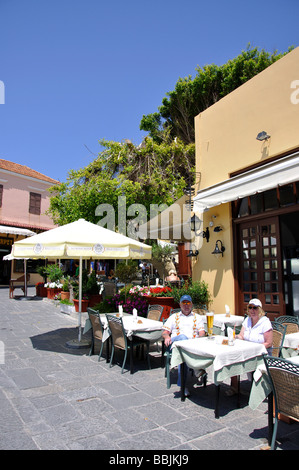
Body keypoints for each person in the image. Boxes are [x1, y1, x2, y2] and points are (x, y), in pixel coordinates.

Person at [162, 294, 205, 396]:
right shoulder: (174, 317)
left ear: (192, 305)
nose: (186, 305)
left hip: (191, 347)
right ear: (180, 305)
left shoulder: (197, 317)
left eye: (188, 303)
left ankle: (183, 386)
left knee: (184, 354)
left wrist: (200, 338)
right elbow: (164, 332)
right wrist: (167, 337)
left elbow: (202, 332)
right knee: (183, 337)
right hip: (175, 344)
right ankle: (196, 369)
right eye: (183, 303)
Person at [229, 298, 273, 395]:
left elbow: (269, 343)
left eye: (255, 308)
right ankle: (234, 386)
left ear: (260, 310)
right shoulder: (247, 320)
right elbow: (241, 336)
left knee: (237, 358)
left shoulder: (265, 322)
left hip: (262, 354)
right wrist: (234, 336)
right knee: (232, 357)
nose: (252, 310)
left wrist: (255, 349)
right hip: (248, 351)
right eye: (250, 308)